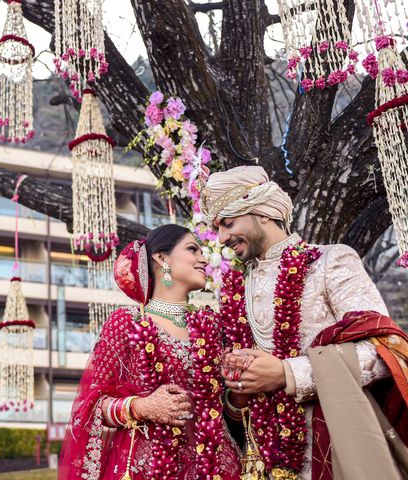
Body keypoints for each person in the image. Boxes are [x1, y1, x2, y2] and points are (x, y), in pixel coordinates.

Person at [201, 165, 408, 480]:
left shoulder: (330, 262)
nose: (222, 237)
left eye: (228, 224)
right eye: (217, 228)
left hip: (334, 454)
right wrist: (237, 392)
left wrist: (286, 373)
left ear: (264, 213)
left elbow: (386, 352)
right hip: (257, 462)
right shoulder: (234, 289)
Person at [58, 224, 242, 479]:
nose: (203, 258)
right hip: (149, 466)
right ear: (161, 258)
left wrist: (239, 392)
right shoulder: (127, 323)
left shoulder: (212, 325)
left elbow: (227, 407)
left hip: (217, 466)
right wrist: (142, 407)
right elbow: (90, 408)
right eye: (192, 249)